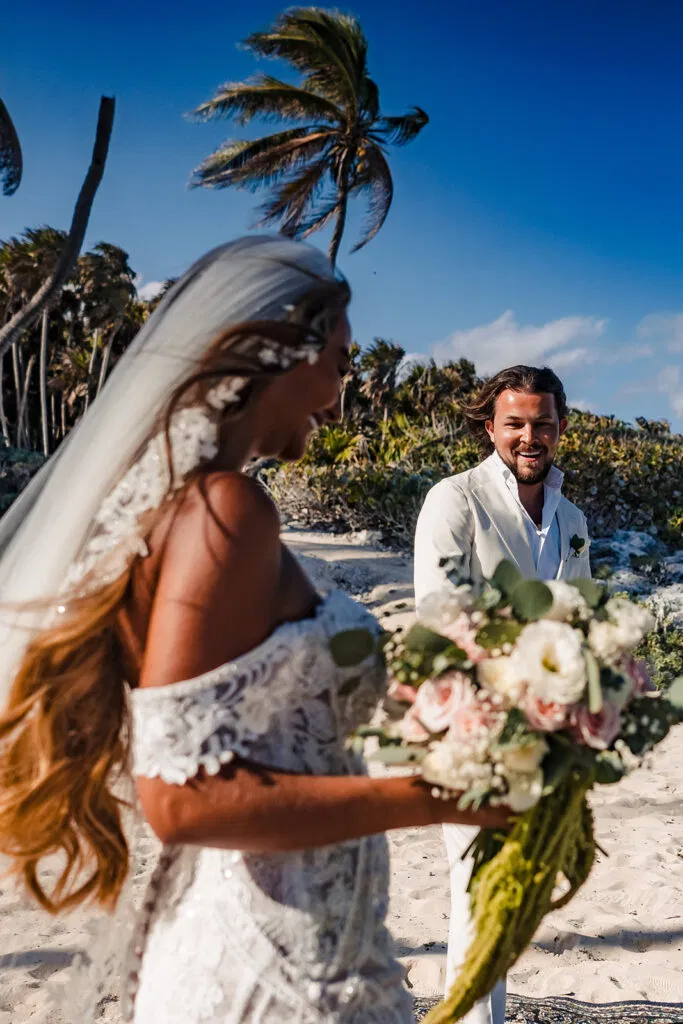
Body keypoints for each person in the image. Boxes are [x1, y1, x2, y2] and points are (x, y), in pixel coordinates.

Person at [0, 236, 507, 1024]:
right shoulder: (224, 512)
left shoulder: (185, 508)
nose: (340, 398)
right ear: (274, 352)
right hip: (275, 968)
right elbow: (180, 799)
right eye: (338, 364)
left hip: (279, 936)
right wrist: (433, 797)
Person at [413, 364, 592, 1024]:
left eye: (541, 424)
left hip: (547, 741)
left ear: (559, 430)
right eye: (513, 423)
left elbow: (580, 623)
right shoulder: (453, 500)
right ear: (489, 427)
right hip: (469, 728)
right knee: (472, 892)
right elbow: (442, 614)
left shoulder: (573, 518)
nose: (528, 436)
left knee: (512, 898)